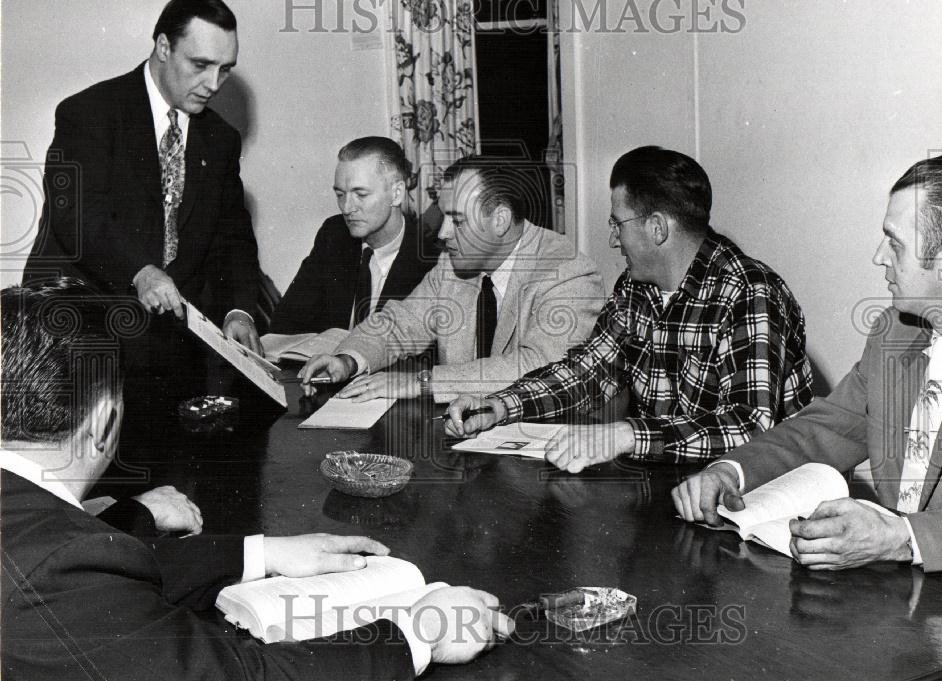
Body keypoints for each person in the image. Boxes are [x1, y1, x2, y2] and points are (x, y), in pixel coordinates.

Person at [0, 278, 513, 679]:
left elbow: (95, 567)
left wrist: (258, 554)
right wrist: (419, 631)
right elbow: (239, 674)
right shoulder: (61, 572)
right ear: (106, 422)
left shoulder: (38, 538)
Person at [672, 155, 942, 572]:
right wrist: (731, 472)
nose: (880, 257)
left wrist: (903, 539)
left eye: (894, 243)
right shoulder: (895, 332)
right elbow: (826, 426)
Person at [446, 146, 813, 471]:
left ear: (656, 228)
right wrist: (501, 406)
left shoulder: (749, 292)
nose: (611, 239)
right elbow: (587, 372)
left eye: (616, 224)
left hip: (755, 496)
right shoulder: (635, 288)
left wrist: (626, 435)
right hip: (676, 485)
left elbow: (748, 425)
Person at [23, 0, 262, 363]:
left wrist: (240, 310)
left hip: (167, 346)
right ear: (164, 47)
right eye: (200, 64)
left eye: (225, 68)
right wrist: (140, 271)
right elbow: (78, 215)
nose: (214, 84)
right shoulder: (88, 112)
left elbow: (234, 237)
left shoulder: (221, 139)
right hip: (79, 330)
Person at [299, 156, 605, 403]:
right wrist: (349, 360)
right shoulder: (452, 266)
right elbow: (399, 323)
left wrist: (423, 382)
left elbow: (538, 367)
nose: (443, 233)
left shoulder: (568, 272)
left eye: (457, 220)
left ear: (499, 220)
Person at [269, 137, 439, 334]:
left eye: (361, 194)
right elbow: (286, 320)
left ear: (397, 193)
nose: (347, 208)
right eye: (340, 195)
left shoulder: (430, 263)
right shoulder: (334, 234)